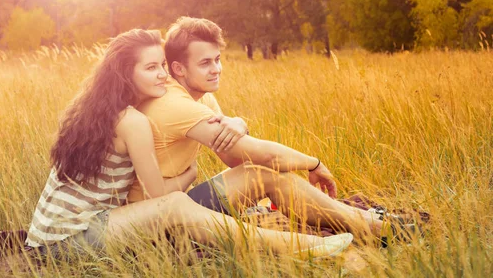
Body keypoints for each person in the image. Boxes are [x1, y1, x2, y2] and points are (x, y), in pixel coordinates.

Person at [25, 28, 354, 259]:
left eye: (163, 66)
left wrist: (238, 122)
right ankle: (299, 247)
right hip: (64, 242)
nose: (162, 75)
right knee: (175, 205)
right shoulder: (131, 121)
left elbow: (233, 149)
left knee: (212, 191)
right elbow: (161, 199)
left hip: (82, 228)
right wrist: (189, 174)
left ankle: (361, 226)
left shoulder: (105, 108)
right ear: (126, 74)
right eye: (151, 68)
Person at [127, 17, 394, 240]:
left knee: (261, 172)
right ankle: (369, 226)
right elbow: (264, 155)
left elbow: (232, 157)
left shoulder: (202, 97)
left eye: (217, 59)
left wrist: (239, 122)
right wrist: (314, 164)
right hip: (151, 220)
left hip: (177, 203)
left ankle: (358, 220)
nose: (216, 69)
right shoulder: (173, 103)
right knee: (263, 174)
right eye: (205, 63)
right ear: (179, 69)